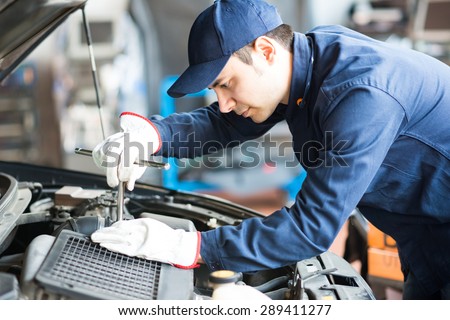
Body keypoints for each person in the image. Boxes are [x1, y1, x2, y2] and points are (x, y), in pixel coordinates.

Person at [90, 0, 450, 299]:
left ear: (265, 51)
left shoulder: (360, 95)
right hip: (423, 236)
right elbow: (223, 123)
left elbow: (311, 228)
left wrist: (191, 248)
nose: (225, 103)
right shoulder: (309, 59)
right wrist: (152, 134)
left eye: (227, 84)